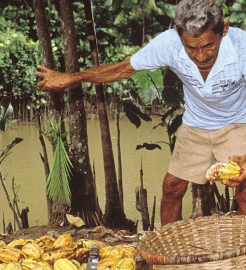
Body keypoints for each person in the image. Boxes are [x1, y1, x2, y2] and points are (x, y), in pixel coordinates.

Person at [36, 0, 246, 226]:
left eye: (208, 46)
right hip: (196, 124)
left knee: (243, 190)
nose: (201, 56)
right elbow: (123, 69)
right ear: (177, 34)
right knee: (172, 188)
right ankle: (166, 251)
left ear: (223, 29)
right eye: (191, 48)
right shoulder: (168, 44)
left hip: (238, 122)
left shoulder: (241, 47)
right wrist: (72, 77)